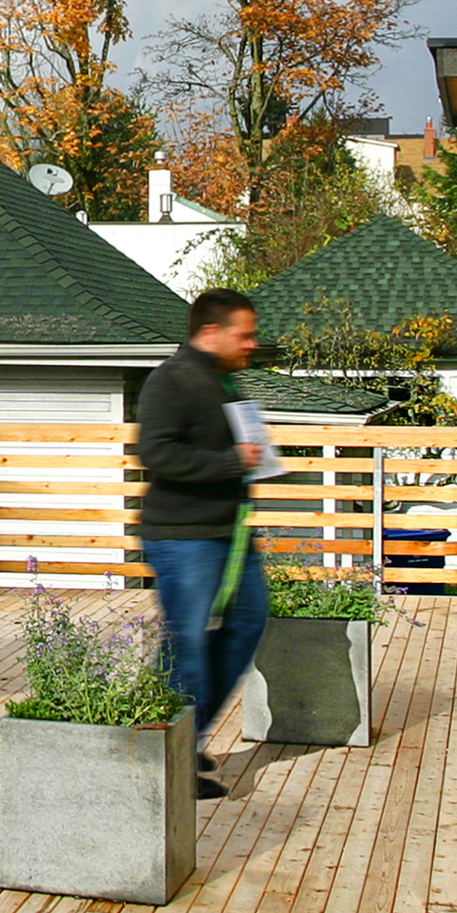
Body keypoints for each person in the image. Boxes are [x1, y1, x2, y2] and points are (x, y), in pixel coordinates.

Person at [135, 288, 271, 802]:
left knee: (247, 624)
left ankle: (185, 738)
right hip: (182, 538)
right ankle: (166, 759)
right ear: (211, 333)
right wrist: (233, 462)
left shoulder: (225, 383)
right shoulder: (171, 380)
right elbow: (158, 454)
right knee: (186, 646)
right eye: (244, 334)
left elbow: (239, 449)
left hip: (230, 535)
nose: (252, 343)